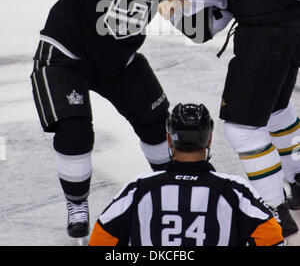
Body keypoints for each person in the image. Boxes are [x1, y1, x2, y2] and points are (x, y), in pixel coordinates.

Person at [130, 0, 300, 237]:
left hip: (267, 31)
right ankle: (298, 180)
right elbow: (207, 23)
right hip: (287, 23)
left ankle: (275, 212)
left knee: (242, 128)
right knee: (276, 110)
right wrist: (174, 6)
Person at [1, 0, 198, 241]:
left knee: (157, 125)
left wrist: (187, 7)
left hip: (120, 62)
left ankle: (170, 189)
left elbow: (200, 32)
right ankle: (76, 204)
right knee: (75, 131)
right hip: (65, 56)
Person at [89, 102, 284, 246]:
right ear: (208, 140)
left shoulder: (140, 187)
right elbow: (272, 238)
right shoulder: (232, 189)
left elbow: (100, 239)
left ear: (168, 139)